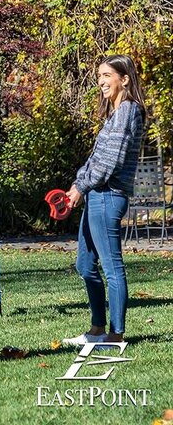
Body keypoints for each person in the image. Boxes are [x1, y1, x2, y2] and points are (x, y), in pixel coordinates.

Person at [63, 55, 145, 347]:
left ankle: (116, 334)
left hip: (109, 196)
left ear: (124, 79)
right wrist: (77, 184)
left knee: (112, 268)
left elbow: (111, 161)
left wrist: (81, 187)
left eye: (107, 75)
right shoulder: (115, 113)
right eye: (99, 75)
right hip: (96, 195)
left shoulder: (128, 112)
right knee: (85, 266)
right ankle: (97, 330)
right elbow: (96, 158)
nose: (101, 81)